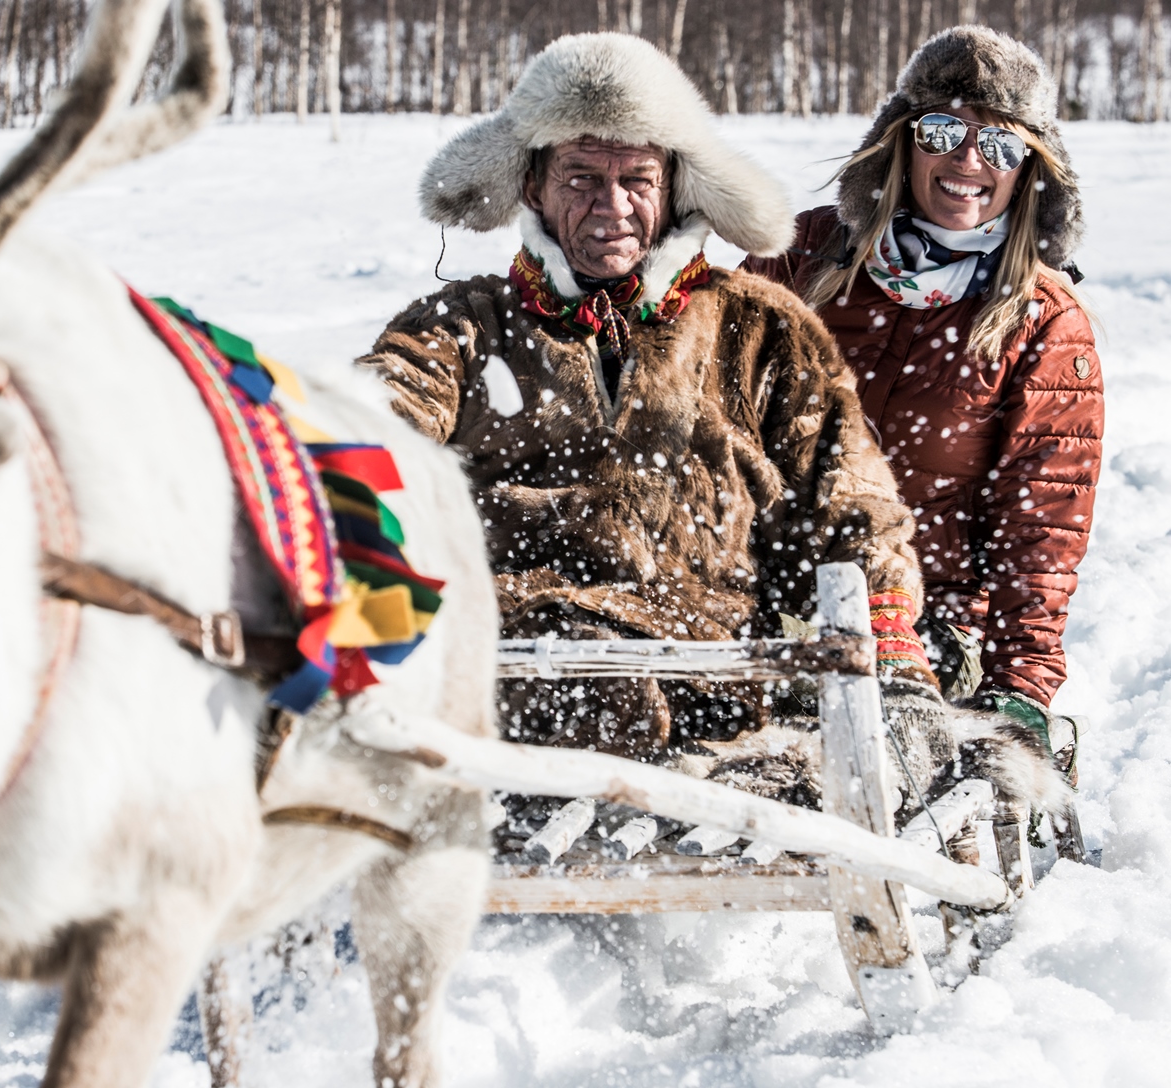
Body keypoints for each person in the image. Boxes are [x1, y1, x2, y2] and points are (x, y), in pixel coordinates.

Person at [359, 32, 949, 795]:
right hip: (506, 669)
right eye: (580, 177)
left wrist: (892, 642)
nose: (611, 206)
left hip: (709, 675)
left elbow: (853, 496)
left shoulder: (759, 328)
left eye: (636, 178)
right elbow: (370, 428)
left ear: (673, 187)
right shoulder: (462, 326)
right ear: (532, 185)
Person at [743, 26, 1101, 753]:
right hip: (768, 594)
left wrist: (1020, 688)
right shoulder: (802, 256)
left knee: (858, 763)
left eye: (1000, 145)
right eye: (944, 130)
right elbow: (712, 423)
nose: (969, 160)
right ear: (902, 139)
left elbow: (1040, 532)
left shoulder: (1041, 318)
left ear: (1029, 169)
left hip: (925, 629)